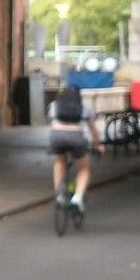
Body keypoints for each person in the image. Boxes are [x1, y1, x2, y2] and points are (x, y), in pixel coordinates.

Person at [47, 81, 100, 214]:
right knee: (83, 169)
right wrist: (98, 145)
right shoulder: (84, 108)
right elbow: (93, 130)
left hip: (56, 136)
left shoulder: (54, 106)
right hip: (77, 137)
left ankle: (59, 194)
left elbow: (51, 121)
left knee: (59, 161)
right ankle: (77, 198)